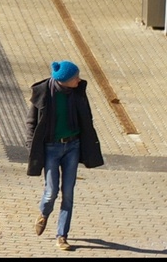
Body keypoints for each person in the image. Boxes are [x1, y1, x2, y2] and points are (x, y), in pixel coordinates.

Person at [27, 60, 104, 250]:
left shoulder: (77, 93)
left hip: (73, 146)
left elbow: (86, 118)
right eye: (75, 77)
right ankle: (44, 213)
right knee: (51, 192)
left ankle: (62, 236)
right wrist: (31, 145)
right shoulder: (44, 93)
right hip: (51, 148)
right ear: (65, 80)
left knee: (68, 194)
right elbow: (31, 122)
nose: (79, 80)